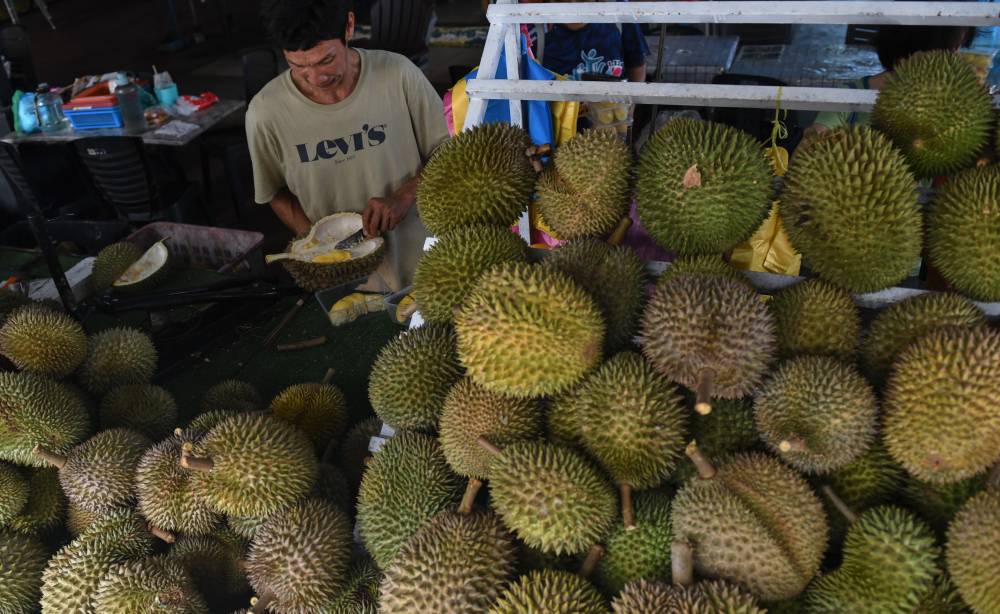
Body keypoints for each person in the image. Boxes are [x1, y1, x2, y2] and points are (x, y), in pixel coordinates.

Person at [247, 0, 449, 291]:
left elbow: (447, 152)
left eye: (326, 60)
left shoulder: (399, 75)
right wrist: (317, 242)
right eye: (298, 66)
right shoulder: (265, 113)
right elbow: (273, 192)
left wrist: (406, 194)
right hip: (346, 283)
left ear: (350, 26)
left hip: (428, 264)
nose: (316, 78)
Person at [805, 25, 973, 137]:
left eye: (958, 49)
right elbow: (809, 152)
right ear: (907, 57)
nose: (958, 59)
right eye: (952, 51)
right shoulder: (849, 96)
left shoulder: (950, 105)